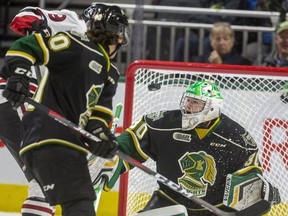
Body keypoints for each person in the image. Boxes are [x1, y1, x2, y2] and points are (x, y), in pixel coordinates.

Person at [1, 3, 129, 216]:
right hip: (24, 100)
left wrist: (101, 138)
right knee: (56, 191)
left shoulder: (109, 72)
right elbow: (24, 19)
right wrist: (38, 37)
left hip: (57, 126)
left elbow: (97, 115)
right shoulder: (73, 30)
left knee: (46, 188)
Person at [116, 80, 280, 215]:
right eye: (188, 100)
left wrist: (261, 191)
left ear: (212, 108)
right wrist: (112, 156)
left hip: (215, 208)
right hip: (170, 200)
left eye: (195, 103)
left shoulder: (235, 138)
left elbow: (249, 177)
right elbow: (131, 142)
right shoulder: (165, 124)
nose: (188, 106)